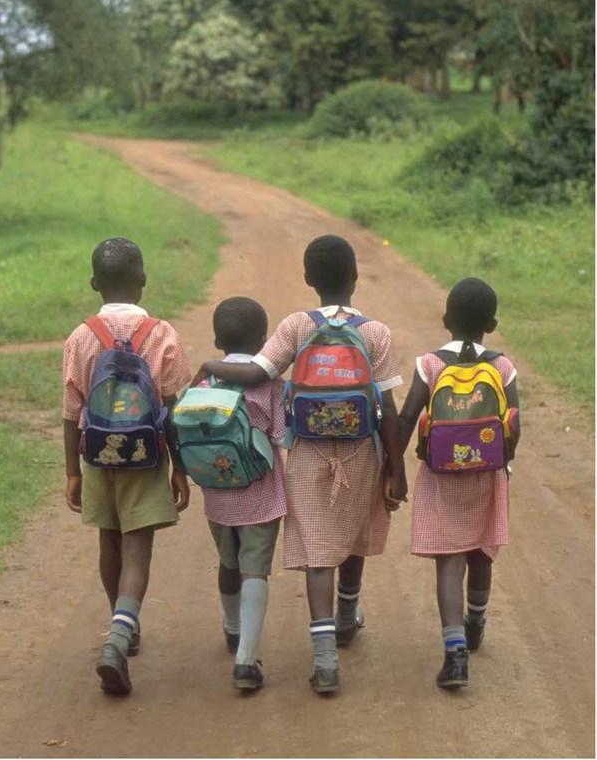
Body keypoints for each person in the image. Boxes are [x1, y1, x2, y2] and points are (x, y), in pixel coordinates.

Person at [190, 235, 406, 694]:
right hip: (362, 451)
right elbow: (387, 407)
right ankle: (347, 617)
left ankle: (325, 661)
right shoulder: (375, 333)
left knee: (317, 552)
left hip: (307, 453)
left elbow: (256, 374)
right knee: (351, 536)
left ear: (308, 279)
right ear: (355, 278)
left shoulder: (294, 326)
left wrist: (210, 363)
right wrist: (396, 469)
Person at [63, 237, 191, 696]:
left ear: (95, 283)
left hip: (96, 454)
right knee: (138, 549)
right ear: (142, 281)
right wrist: (180, 467)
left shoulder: (81, 335)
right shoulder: (161, 333)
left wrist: (73, 472)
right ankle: (121, 632)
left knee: (109, 541)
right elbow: (174, 406)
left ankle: (122, 624)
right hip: (146, 454)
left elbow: (70, 410)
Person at [398, 277, 520, 689]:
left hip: (441, 476)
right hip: (487, 474)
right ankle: (476, 623)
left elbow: (408, 416)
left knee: (449, 560)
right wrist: (504, 461)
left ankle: (454, 656)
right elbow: (513, 425)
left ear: (446, 319)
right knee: (481, 552)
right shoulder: (501, 366)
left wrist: (393, 464)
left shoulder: (430, 364)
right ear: (493, 323)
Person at [197, 297, 287, 691]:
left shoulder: (205, 382)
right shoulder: (270, 384)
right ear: (265, 341)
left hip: (217, 494)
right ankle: (246, 660)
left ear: (217, 339)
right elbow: (282, 437)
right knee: (256, 570)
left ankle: (232, 628)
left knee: (227, 561)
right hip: (262, 495)